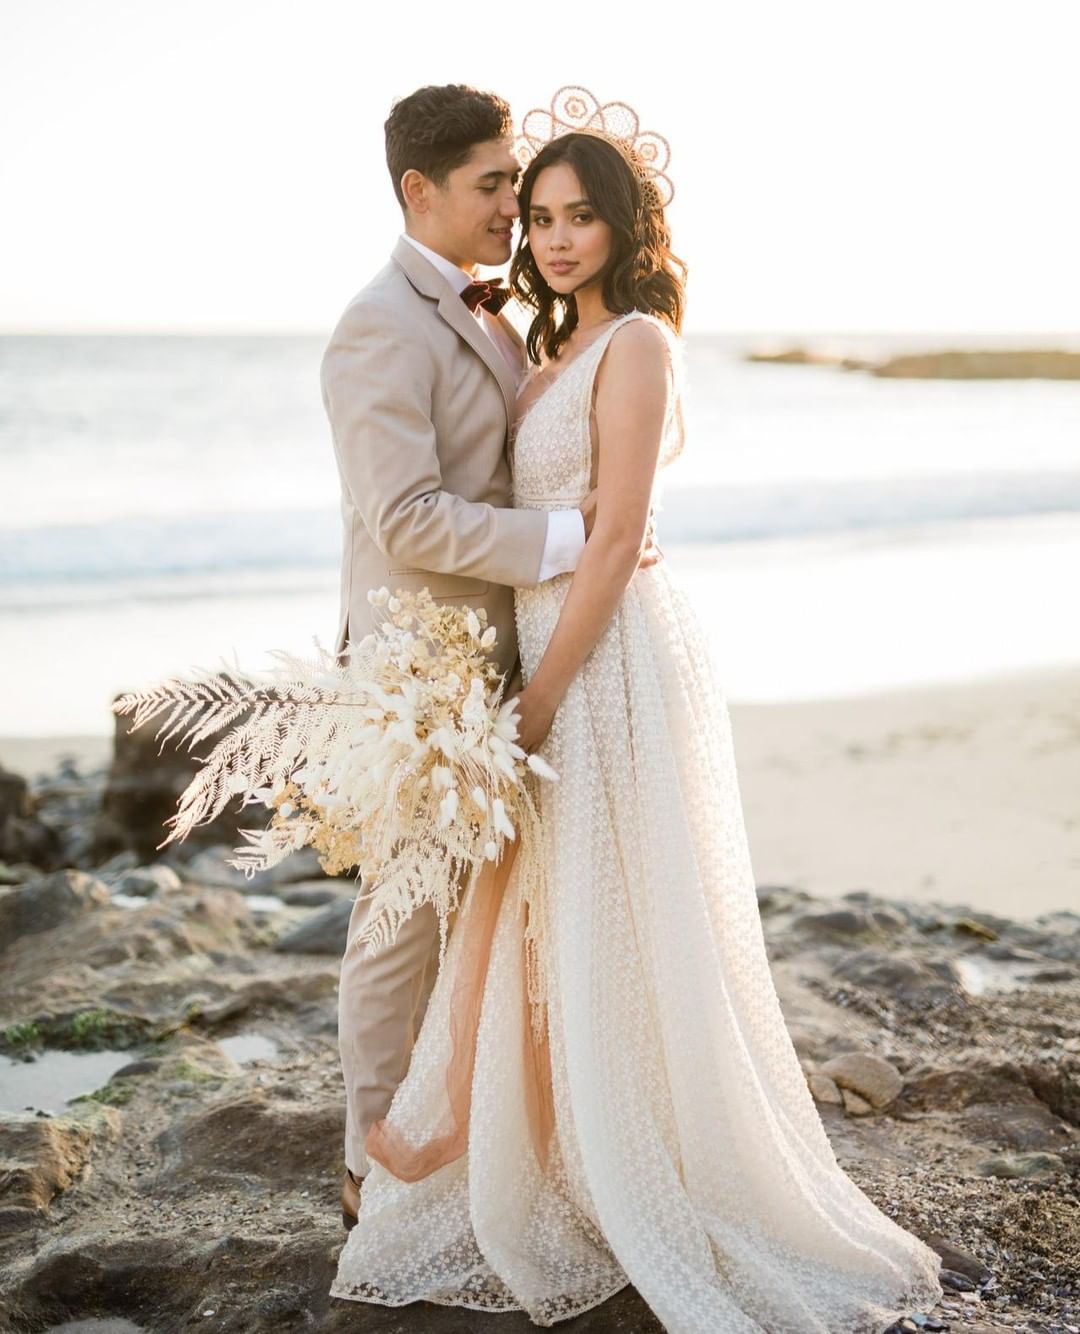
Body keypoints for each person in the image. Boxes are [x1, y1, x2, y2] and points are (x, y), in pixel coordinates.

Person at [330, 88, 946, 1331]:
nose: (539, 230)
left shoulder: (630, 344)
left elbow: (617, 536)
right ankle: (395, 1152)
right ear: (426, 192)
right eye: (519, 201)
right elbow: (418, 515)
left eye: (565, 211)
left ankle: (612, 1159)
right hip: (458, 654)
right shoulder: (455, 334)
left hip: (586, 660)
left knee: (604, 910)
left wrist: (544, 690)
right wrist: (553, 595)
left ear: (621, 225)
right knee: (449, 912)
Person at [320, 84, 661, 1231]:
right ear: (421, 190)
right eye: (494, 185)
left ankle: (475, 1144)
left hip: (505, 653)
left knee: (487, 916)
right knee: (402, 911)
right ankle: (371, 1160)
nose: (516, 210)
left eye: (522, 187)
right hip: (424, 669)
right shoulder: (379, 323)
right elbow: (407, 516)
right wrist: (574, 536)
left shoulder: (504, 316)